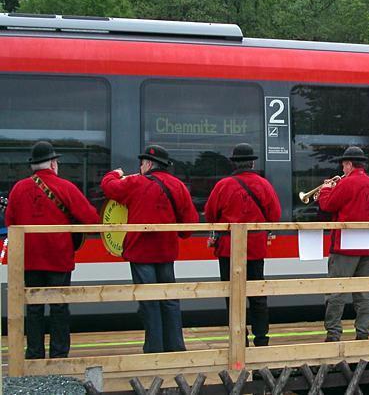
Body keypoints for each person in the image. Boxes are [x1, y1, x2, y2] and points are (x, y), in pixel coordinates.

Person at [5, 141, 99, 359]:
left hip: (29, 260)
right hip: (59, 259)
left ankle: (34, 354)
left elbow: (9, 222)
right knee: (59, 308)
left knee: (34, 309)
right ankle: (58, 356)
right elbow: (92, 219)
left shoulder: (19, 188)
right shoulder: (65, 187)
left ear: (33, 166)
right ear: (54, 164)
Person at [101, 145, 199, 353]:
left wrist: (115, 173)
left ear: (147, 164)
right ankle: (175, 348)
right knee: (169, 300)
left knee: (149, 303)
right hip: (166, 253)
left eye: (142, 163)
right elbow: (189, 225)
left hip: (140, 254)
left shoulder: (135, 183)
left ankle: (154, 349)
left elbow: (108, 187)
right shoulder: (178, 186)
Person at [204, 143, 281, 347]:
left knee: (232, 296)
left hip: (228, 249)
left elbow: (210, 214)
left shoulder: (222, 185)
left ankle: (240, 340)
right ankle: (262, 339)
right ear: (252, 163)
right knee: (257, 296)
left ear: (234, 163)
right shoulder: (264, 185)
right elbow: (275, 215)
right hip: (254, 249)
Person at [318, 146, 369, 342]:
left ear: (350, 164)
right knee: (362, 292)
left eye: (344, 165)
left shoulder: (347, 183)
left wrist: (326, 189)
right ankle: (363, 333)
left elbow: (327, 205)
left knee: (336, 290)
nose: (342, 170)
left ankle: (333, 333)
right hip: (366, 244)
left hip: (344, 245)